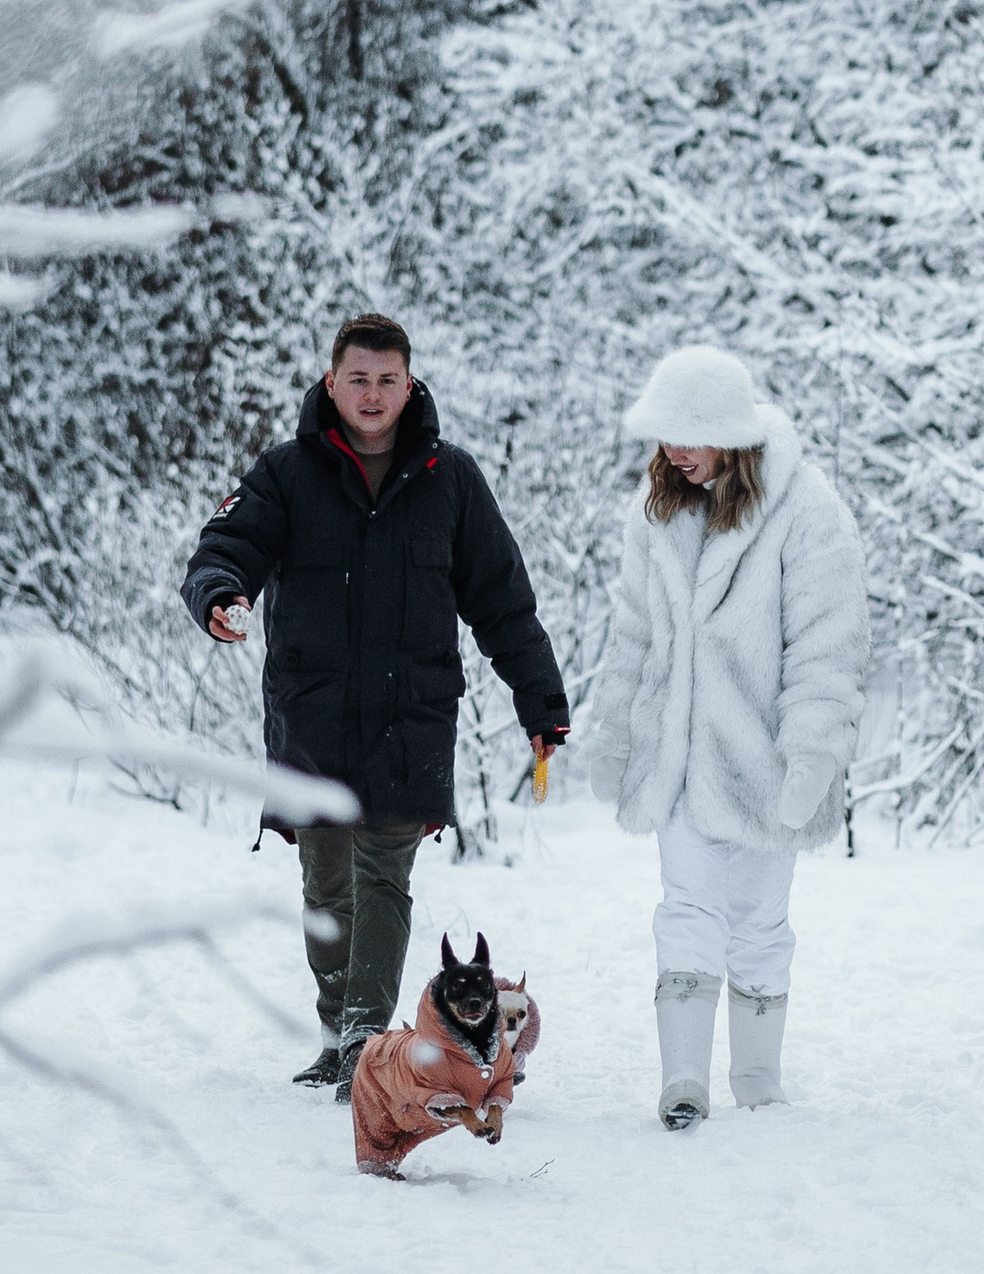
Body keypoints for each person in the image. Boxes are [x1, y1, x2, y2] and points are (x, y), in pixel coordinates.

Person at [183, 314, 569, 1094]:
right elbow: (226, 548)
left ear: (409, 383)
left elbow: (502, 601)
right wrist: (220, 594)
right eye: (358, 379)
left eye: (387, 379)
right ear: (332, 383)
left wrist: (541, 704)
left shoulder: (450, 479)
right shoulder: (286, 473)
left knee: (384, 877)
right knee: (327, 885)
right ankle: (337, 1035)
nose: (372, 394)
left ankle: (364, 1042)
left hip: (411, 716)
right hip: (313, 714)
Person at [577, 343, 868, 1127]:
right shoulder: (657, 511)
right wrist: (613, 732)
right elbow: (632, 631)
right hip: (676, 760)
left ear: (731, 435)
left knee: (761, 924)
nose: (675, 451)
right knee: (685, 909)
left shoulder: (807, 511)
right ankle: (683, 1079)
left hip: (765, 761)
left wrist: (812, 754)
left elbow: (828, 644)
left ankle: (759, 1080)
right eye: (667, 434)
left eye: (692, 436)